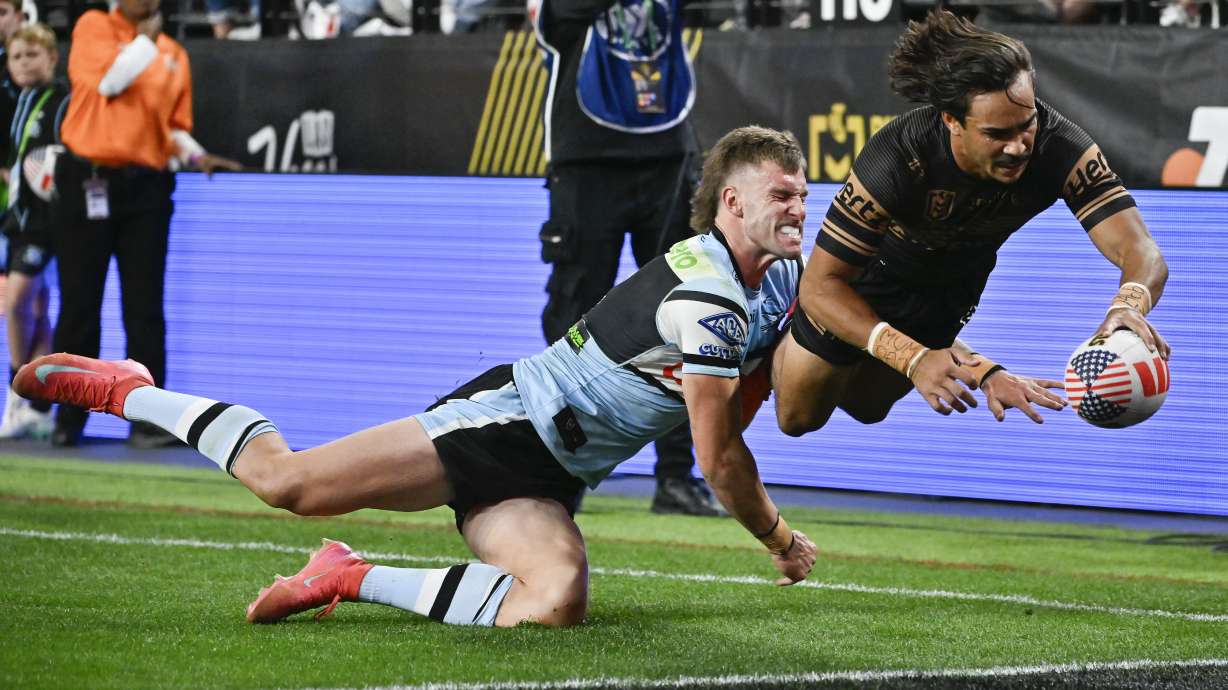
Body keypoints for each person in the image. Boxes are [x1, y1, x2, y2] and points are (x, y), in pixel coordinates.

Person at [16, 125, 818, 628]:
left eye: (803, 196)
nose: (797, 209)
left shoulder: (775, 278)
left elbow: (788, 352)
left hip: (551, 474)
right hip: (506, 424)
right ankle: (128, 388)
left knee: (555, 602)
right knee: (284, 482)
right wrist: (777, 539)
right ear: (731, 204)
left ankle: (347, 574)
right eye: (781, 195)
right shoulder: (708, 294)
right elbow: (718, 459)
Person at [769, 11, 1169, 437]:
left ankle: (960, 360)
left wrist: (1128, 305)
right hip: (871, 279)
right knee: (799, 418)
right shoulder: (900, 155)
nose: (1018, 147)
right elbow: (820, 286)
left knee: (868, 407)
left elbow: (1143, 252)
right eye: (997, 134)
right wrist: (912, 357)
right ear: (952, 121)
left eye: (1027, 124)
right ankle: (770, 330)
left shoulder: (1062, 148)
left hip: (955, 285)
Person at [533, 0, 719, 516]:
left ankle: (677, 478)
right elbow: (554, 18)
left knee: (688, 313)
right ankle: (559, 470)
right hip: (586, 161)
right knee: (571, 322)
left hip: (667, 156)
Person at [50, 0, 241, 448]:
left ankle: (150, 422)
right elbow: (112, 81)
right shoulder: (94, 27)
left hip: (147, 187)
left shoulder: (174, 52)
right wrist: (147, 40)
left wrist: (196, 155)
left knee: (145, 308)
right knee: (80, 304)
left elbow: (170, 127)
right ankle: (68, 419)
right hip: (87, 179)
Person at [0, 23, 69, 439]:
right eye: (16, 57)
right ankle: (39, 405)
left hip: (47, 223)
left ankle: (15, 391)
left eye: (32, 56)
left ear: (52, 58)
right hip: (20, 219)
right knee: (38, 307)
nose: (23, 64)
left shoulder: (62, 100)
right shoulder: (22, 98)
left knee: (16, 300)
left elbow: (61, 155)